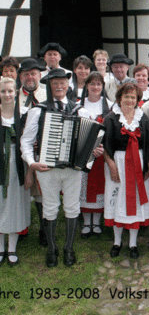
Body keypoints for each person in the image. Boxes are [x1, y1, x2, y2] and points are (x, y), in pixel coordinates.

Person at [21, 68, 103, 267]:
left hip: (73, 169)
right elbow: (26, 141)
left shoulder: (80, 110)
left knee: (72, 206)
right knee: (49, 207)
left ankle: (68, 248)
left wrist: (94, 152)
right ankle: (51, 248)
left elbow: (91, 139)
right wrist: (32, 163)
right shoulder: (38, 110)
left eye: (63, 83)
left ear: (68, 86)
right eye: (55, 83)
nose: (59, 86)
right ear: (50, 85)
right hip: (47, 169)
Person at [103, 81, 149, 259]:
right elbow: (104, 144)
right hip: (118, 163)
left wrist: (148, 164)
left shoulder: (143, 118)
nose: (129, 99)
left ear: (137, 99)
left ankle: (133, 243)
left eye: (133, 97)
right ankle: (117, 242)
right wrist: (111, 165)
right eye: (126, 96)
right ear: (119, 98)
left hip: (137, 163)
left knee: (136, 202)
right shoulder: (111, 118)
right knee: (118, 201)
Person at [0, 78, 30, 266]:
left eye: (10, 91)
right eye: (3, 91)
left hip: (18, 163)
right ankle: (0, 248)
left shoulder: (24, 114)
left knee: (15, 203)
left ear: (16, 92)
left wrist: (30, 172)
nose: (7, 94)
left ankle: (11, 247)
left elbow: (28, 144)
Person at [17, 58, 47, 246]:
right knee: (20, 189)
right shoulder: (13, 97)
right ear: (20, 77)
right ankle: (20, 227)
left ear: (39, 76)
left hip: (41, 149)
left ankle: (44, 228)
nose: (30, 77)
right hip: (19, 150)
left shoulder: (46, 95)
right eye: (26, 74)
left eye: (33, 73)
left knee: (40, 192)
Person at [79, 72, 113, 238]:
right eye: (92, 84)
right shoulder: (78, 105)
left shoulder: (110, 106)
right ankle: (86, 221)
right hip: (83, 154)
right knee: (84, 186)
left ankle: (96, 220)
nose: (95, 87)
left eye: (99, 84)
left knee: (100, 186)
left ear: (103, 87)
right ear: (87, 86)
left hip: (101, 154)